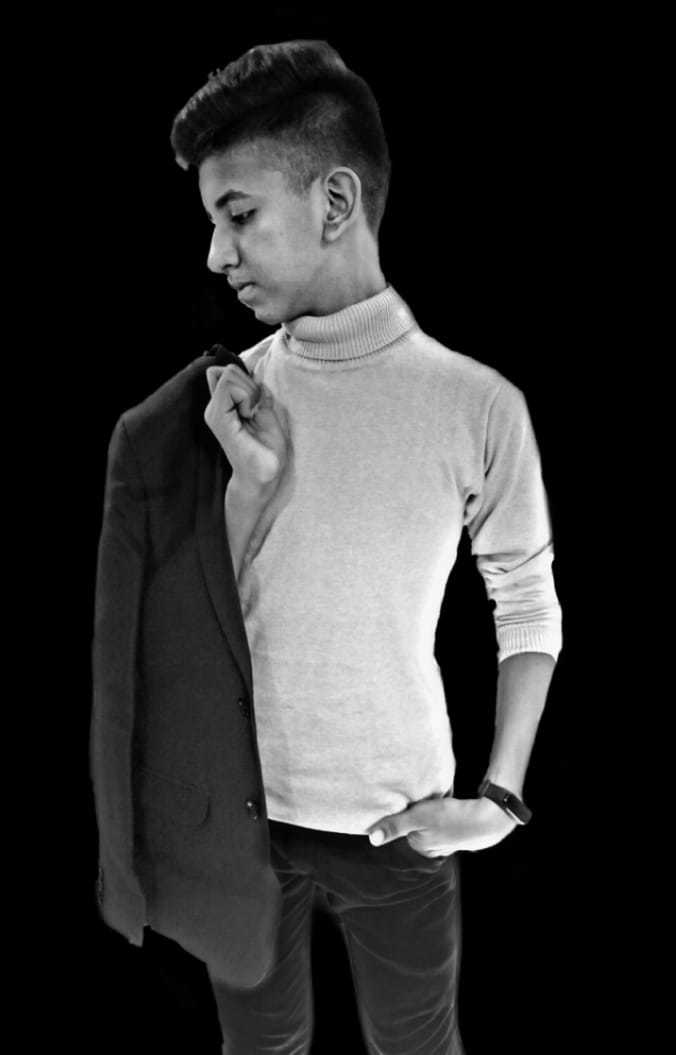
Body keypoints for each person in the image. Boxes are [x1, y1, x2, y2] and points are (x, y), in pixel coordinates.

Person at [90, 38, 562, 1055]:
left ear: (335, 203)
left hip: (403, 823)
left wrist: (497, 796)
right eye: (212, 222)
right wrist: (251, 489)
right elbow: (175, 637)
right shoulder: (214, 409)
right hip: (243, 831)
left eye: (238, 216)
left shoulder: (477, 405)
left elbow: (525, 600)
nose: (215, 256)